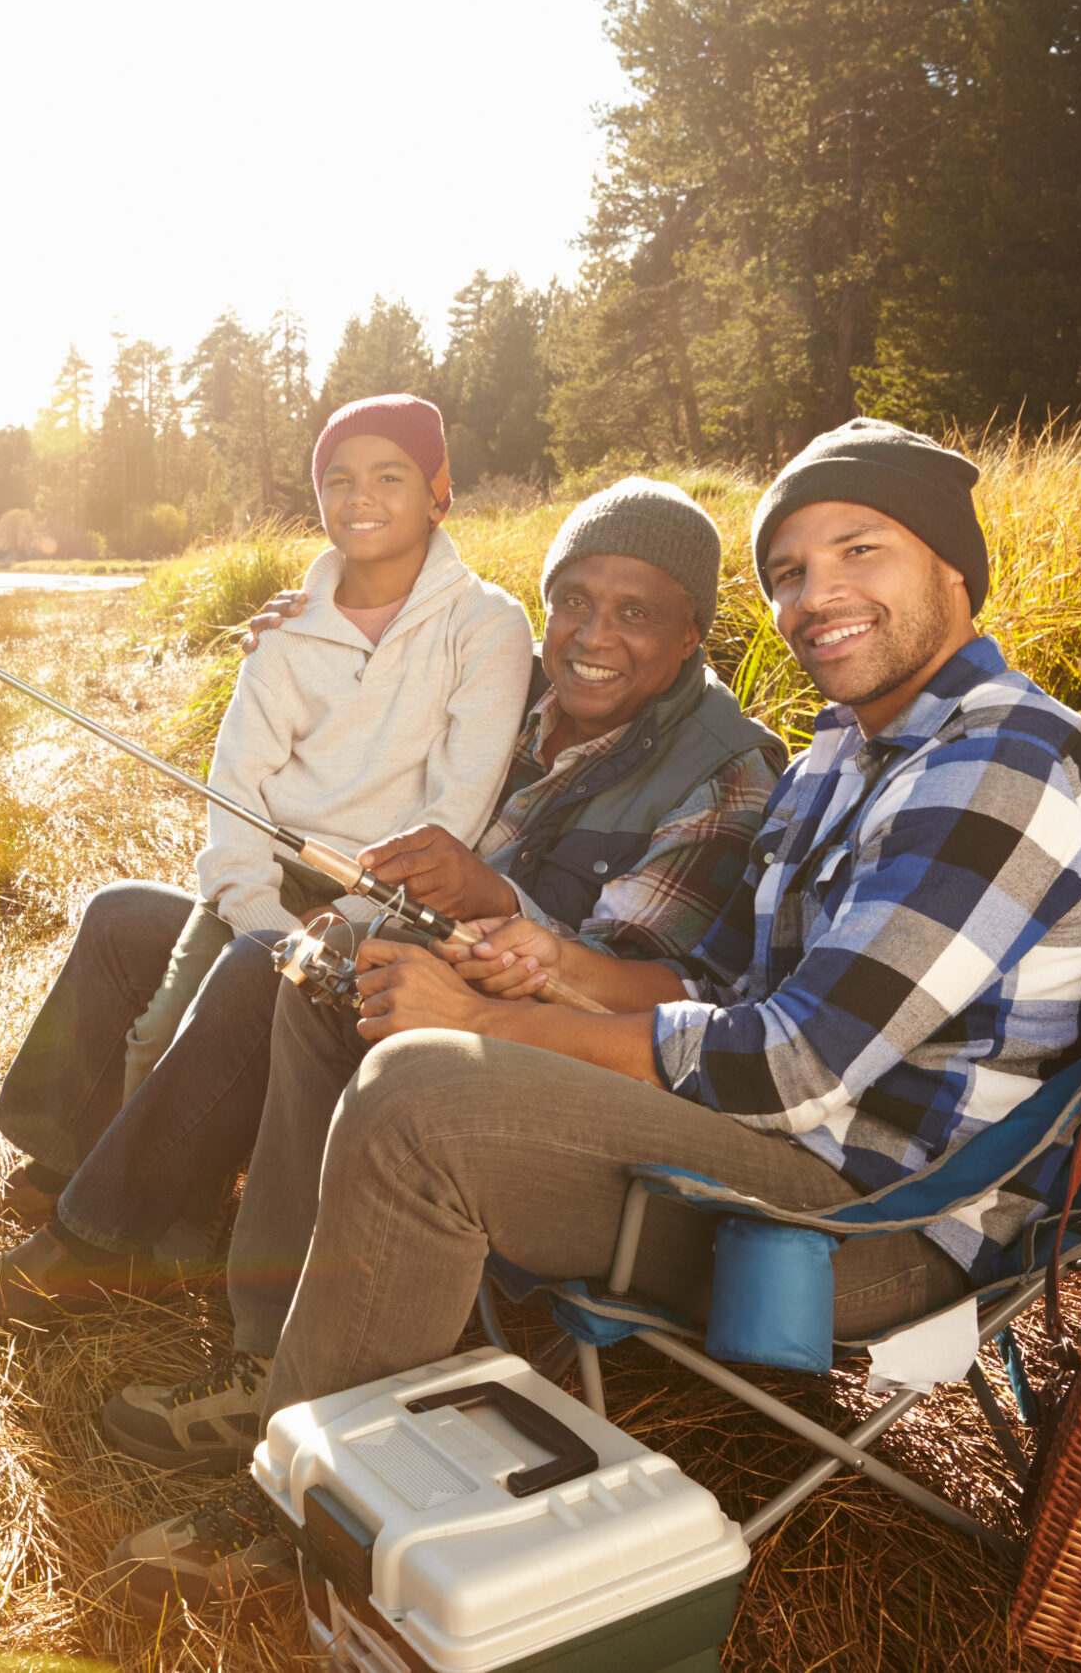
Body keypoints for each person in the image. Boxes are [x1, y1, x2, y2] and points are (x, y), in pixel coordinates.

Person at [97, 417, 1081, 1614]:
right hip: (781, 1143)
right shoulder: (845, 755)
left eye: (861, 551)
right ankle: (300, 1372)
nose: (818, 597)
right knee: (357, 989)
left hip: (876, 1218)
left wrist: (491, 1025)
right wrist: (548, 962)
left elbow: (790, 1065)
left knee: (419, 1098)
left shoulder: (995, 765)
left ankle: (302, 1528)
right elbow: (723, 987)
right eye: (791, 571)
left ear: (953, 568)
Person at [92, 478, 784, 1471]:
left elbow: (624, 991)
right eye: (573, 601)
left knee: (299, 966)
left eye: (636, 613)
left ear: (690, 637)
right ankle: (80, 1193)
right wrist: (300, 634)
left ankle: (258, 1349)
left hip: (560, 1059)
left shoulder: (725, 775)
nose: (593, 634)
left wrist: (491, 899)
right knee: (128, 919)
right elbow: (359, 696)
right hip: (396, 939)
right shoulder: (508, 678)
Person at [0, 394, 535, 1322]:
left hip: (385, 911)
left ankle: (86, 1251)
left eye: (391, 476)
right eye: (339, 479)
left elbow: (454, 819)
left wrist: (336, 924)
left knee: (208, 1004)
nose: (361, 497)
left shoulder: (486, 625)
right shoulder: (286, 629)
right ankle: (66, 1165)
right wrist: (262, 914)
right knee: (122, 916)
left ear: (439, 493)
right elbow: (236, 794)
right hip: (269, 888)